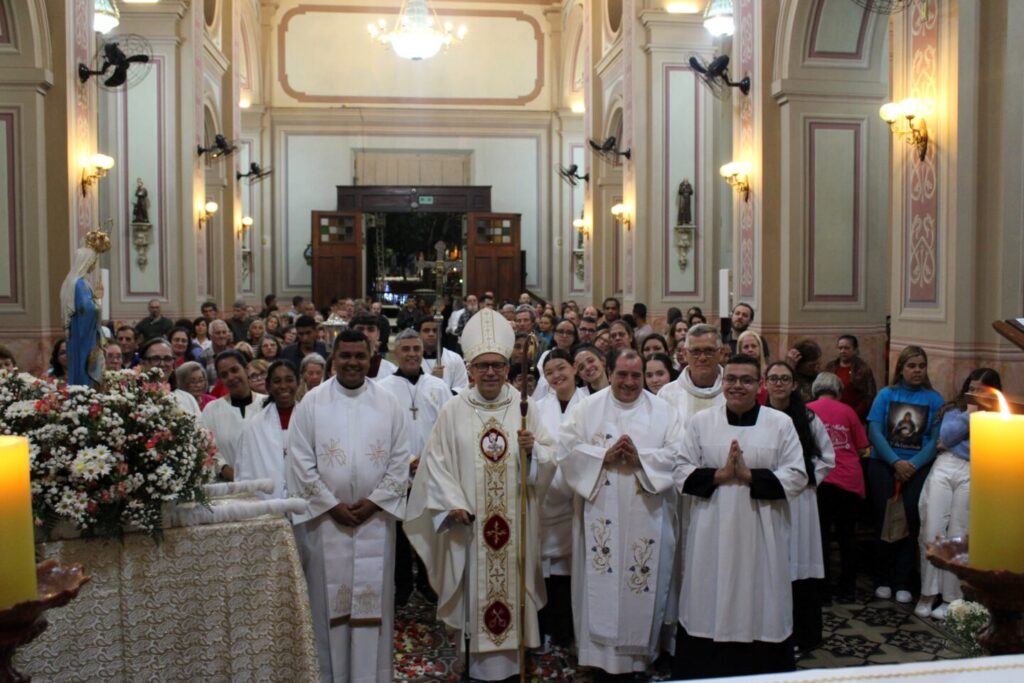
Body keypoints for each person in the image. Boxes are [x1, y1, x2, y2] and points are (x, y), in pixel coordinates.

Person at [404, 307, 556, 681]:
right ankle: (475, 667)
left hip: (515, 532)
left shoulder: (526, 409)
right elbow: (435, 464)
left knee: (513, 594)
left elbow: (553, 459)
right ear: (470, 368)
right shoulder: (454, 410)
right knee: (476, 600)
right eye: (483, 365)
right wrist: (451, 502)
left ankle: (512, 666)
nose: (491, 372)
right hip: (471, 531)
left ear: (509, 368)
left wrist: (533, 450)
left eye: (498, 365)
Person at [286, 329, 411, 683]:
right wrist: (330, 504)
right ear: (334, 359)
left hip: (376, 521)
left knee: (374, 607)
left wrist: (373, 503)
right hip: (326, 523)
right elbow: (300, 460)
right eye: (346, 356)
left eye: (360, 356)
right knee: (330, 608)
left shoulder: (388, 402)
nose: (353, 363)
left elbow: (401, 459)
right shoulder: (312, 402)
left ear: (372, 358)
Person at [672, 354, 807, 679]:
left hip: (762, 534)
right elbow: (679, 470)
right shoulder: (701, 422)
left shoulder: (780, 424)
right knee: (707, 598)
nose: (737, 386)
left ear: (759, 385)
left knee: (762, 601)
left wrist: (749, 476)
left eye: (746, 380)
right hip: (711, 532)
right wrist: (720, 474)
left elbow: (798, 474)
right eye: (731, 379)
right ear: (723, 383)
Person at [559, 349, 681, 677]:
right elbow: (566, 450)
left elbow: (678, 455)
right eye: (622, 375)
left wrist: (642, 459)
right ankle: (596, 658)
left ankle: (638, 660)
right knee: (598, 581)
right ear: (609, 372)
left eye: (636, 376)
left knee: (642, 582)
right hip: (600, 511)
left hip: (648, 513)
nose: (629, 382)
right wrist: (603, 457)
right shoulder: (587, 408)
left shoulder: (664, 411)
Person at [656, 323, 727, 650]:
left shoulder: (734, 388)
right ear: (683, 354)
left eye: (708, 351)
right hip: (679, 499)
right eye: (695, 351)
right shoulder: (668, 394)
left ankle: (722, 632)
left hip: (726, 498)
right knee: (679, 565)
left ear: (721, 353)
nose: (701, 357)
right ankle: (676, 642)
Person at [916, 368, 1002, 620]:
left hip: (972, 472)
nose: (973, 394)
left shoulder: (999, 419)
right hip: (945, 467)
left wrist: (958, 442)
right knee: (933, 529)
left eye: (980, 391)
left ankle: (950, 598)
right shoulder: (954, 411)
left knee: (958, 532)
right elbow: (946, 437)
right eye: (971, 388)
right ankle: (927, 593)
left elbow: (984, 449)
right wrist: (970, 415)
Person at [763, 360, 835, 652]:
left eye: (784, 379)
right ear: (765, 384)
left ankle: (803, 634)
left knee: (799, 564)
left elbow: (827, 458)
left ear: (794, 385)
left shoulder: (808, 418)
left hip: (800, 499)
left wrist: (802, 479)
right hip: (767, 497)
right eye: (773, 378)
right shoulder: (759, 417)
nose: (779, 383)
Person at [377, 329, 451, 606]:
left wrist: (428, 458)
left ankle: (429, 582)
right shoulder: (382, 388)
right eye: (405, 349)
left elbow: (447, 427)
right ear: (396, 353)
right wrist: (407, 460)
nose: (411, 354)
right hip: (397, 472)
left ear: (423, 352)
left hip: (431, 471)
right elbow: (381, 432)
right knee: (397, 533)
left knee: (430, 529)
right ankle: (402, 585)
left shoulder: (438, 387)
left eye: (416, 349)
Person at [866, 346, 944, 605]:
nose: (917, 370)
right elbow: (875, 431)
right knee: (884, 519)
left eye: (921, 366)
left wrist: (912, 464)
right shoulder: (887, 395)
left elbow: (935, 440)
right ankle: (883, 578)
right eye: (912, 366)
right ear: (901, 368)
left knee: (911, 520)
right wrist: (895, 461)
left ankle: (903, 580)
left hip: (917, 468)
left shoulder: (934, 399)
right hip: (885, 465)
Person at [534, 349, 584, 651]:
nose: (556, 376)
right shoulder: (538, 408)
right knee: (546, 571)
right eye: (550, 372)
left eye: (561, 368)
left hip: (579, 497)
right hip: (545, 497)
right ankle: (545, 627)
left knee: (571, 572)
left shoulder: (590, 403)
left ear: (574, 369)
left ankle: (568, 630)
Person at [808, 372, 870, 601]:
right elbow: (863, 446)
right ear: (839, 391)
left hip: (822, 480)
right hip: (848, 480)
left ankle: (822, 590)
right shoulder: (848, 411)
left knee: (820, 536)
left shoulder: (808, 409)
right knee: (847, 537)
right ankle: (848, 589)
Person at [234, 360, 299, 500]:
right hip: (267, 505)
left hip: (305, 505)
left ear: (298, 383)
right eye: (277, 381)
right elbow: (245, 470)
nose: (283, 386)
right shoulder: (254, 426)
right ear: (268, 386)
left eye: (289, 380)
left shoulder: (308, 420)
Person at [201, 349, 268, 481]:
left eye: (234, 370)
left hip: (267, 483)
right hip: (228, 487)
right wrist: (224, 469)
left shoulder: (267, 404)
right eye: (224, 375)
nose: (231, 377)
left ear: (246, 369)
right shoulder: (212, 410)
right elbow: (206, 450)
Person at [60, 243, 105, 386]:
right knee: (84, 363)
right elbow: (87, 310)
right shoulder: (79, 284)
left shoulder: (78, 282)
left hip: (80, 330)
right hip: (83, 332)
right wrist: (98, 300)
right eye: (93, 262)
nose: (93, 265)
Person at [137, 337, 201, 417]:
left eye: (167, 359)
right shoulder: (134, 397)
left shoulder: (187, 399)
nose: (162, 364)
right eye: (155, 359)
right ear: (142, 363)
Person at [822, 335, 877, 422]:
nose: (842, 351)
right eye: (840, 348)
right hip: (831, 415)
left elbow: (869, 396)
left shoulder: (863, 369)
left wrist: (853, 415)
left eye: (846, 348)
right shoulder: (830, 367)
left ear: (855, 350)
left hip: (854, 417)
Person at [417, 316, 468, 393]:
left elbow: (462, 387)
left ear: (440, 334)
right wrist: (432, 380)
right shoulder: (413, 360)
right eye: (426, 330)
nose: (431, 334)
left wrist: (443, 395)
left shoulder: (454, 359)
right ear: (419, 334)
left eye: (435, 330)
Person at [350, 313, 397, 380]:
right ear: (350, 332)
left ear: (378, 334)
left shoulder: (391, 372)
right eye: (360, 329)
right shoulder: (340, 369)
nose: (365, 334)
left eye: (370, 330)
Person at [737, 329, 769, 404]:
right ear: (740, 350)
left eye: (754, 346)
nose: (750, 349)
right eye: (746, 347)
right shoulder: (734, 373)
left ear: (760, 348)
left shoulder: (769, 372)